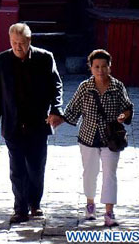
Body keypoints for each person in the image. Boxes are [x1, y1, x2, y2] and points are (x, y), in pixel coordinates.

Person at [0, 22, 63, 224]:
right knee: (17, 168)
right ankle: (20, 208)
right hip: (12, 123)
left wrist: (57, 110)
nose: (17, 47)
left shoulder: (44, 58)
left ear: (29, 41)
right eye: (14, 43)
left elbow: (56, 87)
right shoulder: (2, 60)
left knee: (36, 167)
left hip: (38, 121)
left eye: (21, 43)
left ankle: (35, 204)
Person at [56, 49, 133, 227]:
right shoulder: (85, 87)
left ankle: (109, 212)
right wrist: (57, 120)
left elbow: (127, 107)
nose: (100, 70)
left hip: (111, 138)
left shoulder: (117, 87)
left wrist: (123, 115)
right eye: (96, 66)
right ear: (90, 67)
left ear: (109, 67)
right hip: (88, 136)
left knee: (110, 174)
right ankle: (90, 205)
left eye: (104, 66)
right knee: (90, 173)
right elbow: (72, 109)